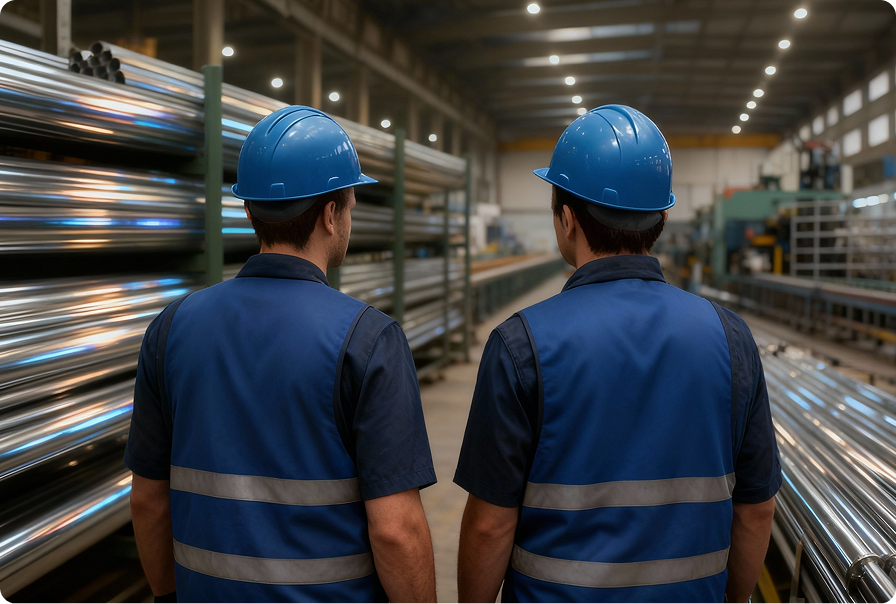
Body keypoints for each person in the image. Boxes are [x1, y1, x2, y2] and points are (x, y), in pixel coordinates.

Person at [454, 105, 780, 604]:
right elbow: (756, 510)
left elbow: (489, 527)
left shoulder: (521, 344)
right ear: (663, 217)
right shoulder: (731, 338)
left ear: (566, 219)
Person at [125, 106, 437, 604]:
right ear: (332, 215)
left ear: (250, 211)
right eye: (350, 204)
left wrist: (167, 596)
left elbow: (148, 499)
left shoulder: (171, 329)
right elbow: (396, 530)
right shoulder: (367, 339)